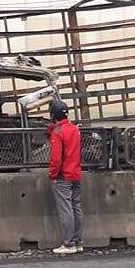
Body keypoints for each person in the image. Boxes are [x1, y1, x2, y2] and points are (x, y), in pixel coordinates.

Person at [47, 99, 83, 254]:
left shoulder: (58, 132)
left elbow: (56, 158)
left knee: (66, 209)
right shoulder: (74, 129)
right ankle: (78, 242)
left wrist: (52, 175)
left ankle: (69, 244)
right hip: (76, 173)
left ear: (53, 115)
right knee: (76, 207)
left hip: (63, 176)